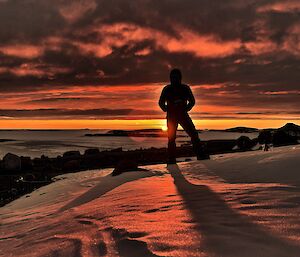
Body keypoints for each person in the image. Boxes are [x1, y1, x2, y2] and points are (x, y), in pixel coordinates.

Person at [159, 69, 209, 164]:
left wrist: (186, 108)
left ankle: (200, 155)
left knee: (193, 134)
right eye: (173, 77)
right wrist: (167, 109)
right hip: (172, 116)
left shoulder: (184, 88)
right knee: (172, 138)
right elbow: (161, 103)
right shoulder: (167, 89)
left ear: (180, 77)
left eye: (176, 77)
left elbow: (192, 101)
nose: (174, 79)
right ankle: (171, 159)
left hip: (182, 115)